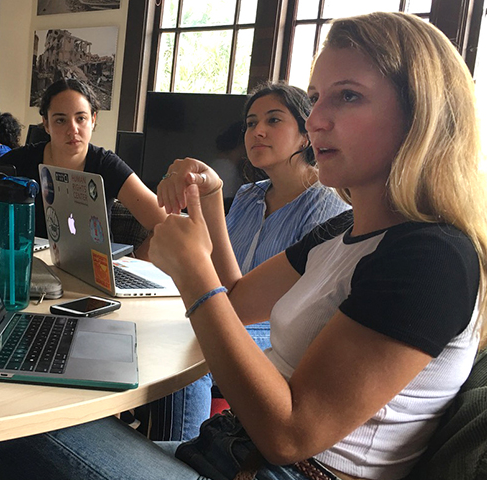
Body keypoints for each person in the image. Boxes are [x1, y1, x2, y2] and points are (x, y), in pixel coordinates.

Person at [0, 12, 487, 480]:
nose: (316, 118)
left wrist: (192, 275)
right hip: (228, 456)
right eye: (317, 96)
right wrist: (212, 204)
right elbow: (239, 302)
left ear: (422, 114)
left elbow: (292, 435)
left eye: (347, 97)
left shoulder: (431, 256)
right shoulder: (348, 228)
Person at [149, 82, 349, 442]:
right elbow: (229, 288)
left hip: (279, 329)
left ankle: (183, 455)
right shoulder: (247, 195)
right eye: (251, 122)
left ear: (305, 135)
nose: (257, 131)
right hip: (234, 309)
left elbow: (279, 312)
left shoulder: (326, 208)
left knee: (196, 348)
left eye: (274, 120)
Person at [0, 78, 166, 259]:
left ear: (93, 120)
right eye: (61, 120)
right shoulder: (17, 162)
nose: (73, 129)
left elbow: (165, 225)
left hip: (93, 280)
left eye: (81, 118)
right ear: (46, 124)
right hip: (30, 272)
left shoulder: (107, 165)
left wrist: (132, 267)